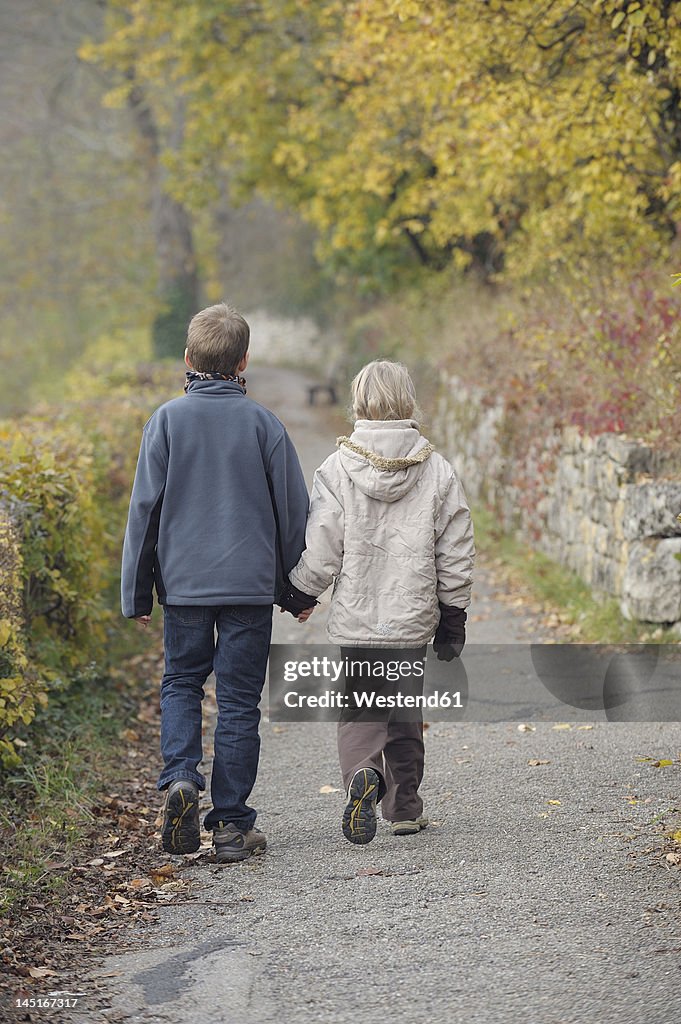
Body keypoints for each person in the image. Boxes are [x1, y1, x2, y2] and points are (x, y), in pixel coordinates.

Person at [121, 302, 309, 863]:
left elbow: (144, 512)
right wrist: (296, 590)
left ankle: (180, 779)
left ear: (187, 358)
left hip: (183, 588)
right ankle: (230, 825)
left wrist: (137, 591)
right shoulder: (264, 424)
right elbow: (292, 513)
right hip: (249, 589)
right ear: (245, 359)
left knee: (181, 682)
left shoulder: (166, 422)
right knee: (237, 702)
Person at [279, 359, 474, 845]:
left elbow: (324, 545)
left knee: (362, 708)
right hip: (410, 618)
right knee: (404, 709)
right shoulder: (437, 470)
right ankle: (404, 805)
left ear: (359, 402)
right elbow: (455, 548)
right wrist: (454, 613)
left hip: (359, 617)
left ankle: (362, 777)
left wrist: (300, 591)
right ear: (409, 402)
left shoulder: (337, 467)